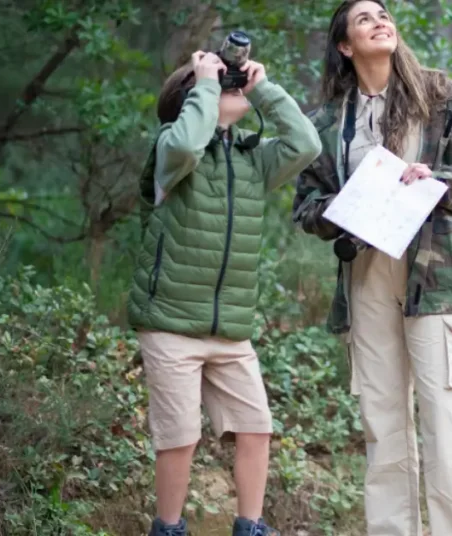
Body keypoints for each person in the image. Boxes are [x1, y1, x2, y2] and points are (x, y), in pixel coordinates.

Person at [292, 2, 452, 535]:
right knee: (382, 421)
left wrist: (437, 181)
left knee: (444, 418)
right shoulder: (327, 122)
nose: (380, 21)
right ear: (345, 45)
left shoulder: (437, 95)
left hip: (436, 277)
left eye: (384, 14)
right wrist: (343, 207)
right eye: (365, 18)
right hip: (367, 275)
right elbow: (306, 204)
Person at [127, 47, 321, 536]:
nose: (230, 88)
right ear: (192, 97)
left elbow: (306, 144)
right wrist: (206, 84)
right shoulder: (171, 149)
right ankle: (169, 528)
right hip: (171, 322)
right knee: (180, 437)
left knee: (256, 428)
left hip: (230, 328)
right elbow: (187, 145)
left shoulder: (251, 157)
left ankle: (250, 527)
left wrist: (264, 90)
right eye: (218, 84)